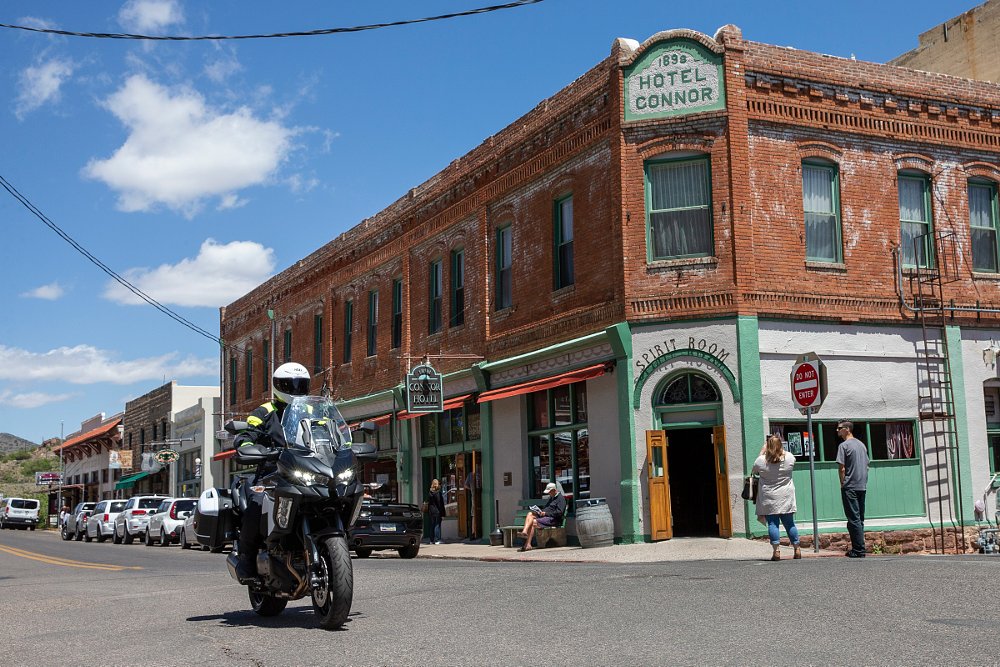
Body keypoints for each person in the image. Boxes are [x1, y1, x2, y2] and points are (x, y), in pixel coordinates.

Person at [232, 361, 311, 579]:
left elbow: (328, 433)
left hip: (305, 471)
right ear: (278, 386)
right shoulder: (265, 411)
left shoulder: (312, 411)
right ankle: (246, 558)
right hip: (271, 474)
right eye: (289, 385)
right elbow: (247, 435)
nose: (295, 390)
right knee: (257, 503)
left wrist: (345, 446)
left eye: (300, 385)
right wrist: (248, 447)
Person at [753, 435, 801, 561]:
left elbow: (754, 471)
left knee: (773, 523)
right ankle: (797, 549)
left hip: (769, 496)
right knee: (789, 523)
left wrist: (762, 452)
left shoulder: (761, 460)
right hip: (786, 495)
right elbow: (791, 460)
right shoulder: (789, 457)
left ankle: (776, 550)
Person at [836, 420, 870, 558]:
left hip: (850, 486)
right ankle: (859, 545)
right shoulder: (861, 445)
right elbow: (867, 465)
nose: (837, 431)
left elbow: (842, 467)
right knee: (859, 517)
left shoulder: (844, 446)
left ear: (847, 429)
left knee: (853, 518)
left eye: (839, 428)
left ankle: (858, 549)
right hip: (862, 485)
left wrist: (842, 483)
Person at [518, 482, 566, 552]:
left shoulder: (560, 499)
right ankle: (525, 532)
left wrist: (546, 513)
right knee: (530, 514)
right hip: (545, 516)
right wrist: (540, 511)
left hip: (553, 519)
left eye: (550, 492)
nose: (549, 493)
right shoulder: (551, 498)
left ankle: (527, 544)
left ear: (554, 490)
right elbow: (547, 508)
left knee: (533, 522)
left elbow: (559, 512)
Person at [426, 479, 445, 544]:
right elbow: (440, 504)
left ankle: (431, 540)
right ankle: (437, 540)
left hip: (431, 511)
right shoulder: (437, 493)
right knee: (437, 525)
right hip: (437, 511)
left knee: (432, 525)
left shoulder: (430, 493)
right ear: (437, 485)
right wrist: (443, 513)